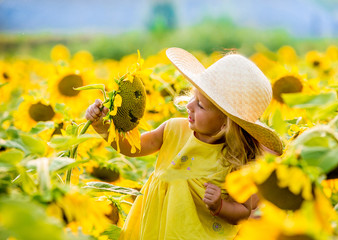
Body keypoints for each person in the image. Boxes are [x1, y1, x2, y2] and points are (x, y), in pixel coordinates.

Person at [85, 47, 283, 239]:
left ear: (227, 122)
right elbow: (133, 148)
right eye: (193, 97)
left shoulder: (236, 158)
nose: (189, 105)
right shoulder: (173, 129)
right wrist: (103, 127)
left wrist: (219, 206)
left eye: (200, 105)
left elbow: (244, 212)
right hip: (155, 227)